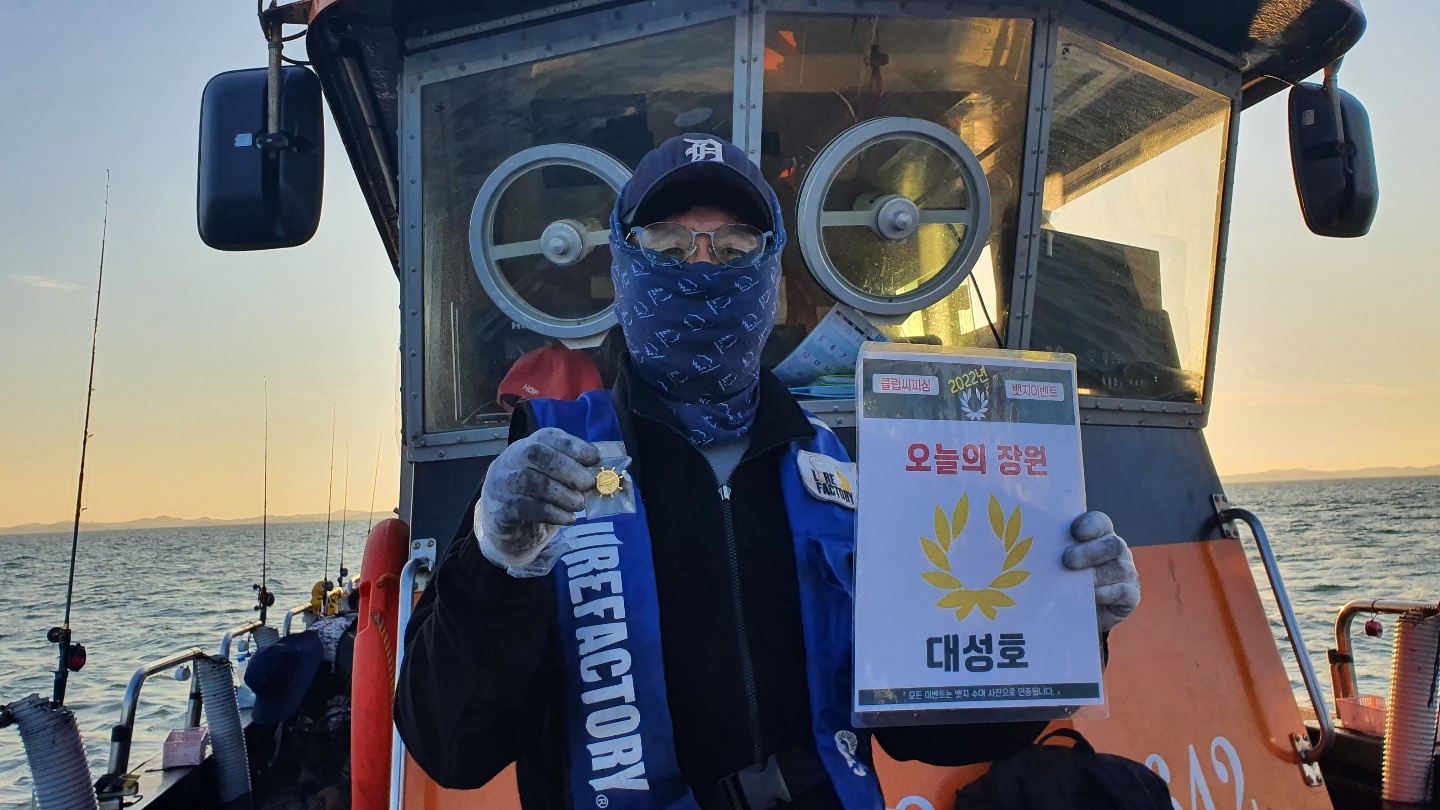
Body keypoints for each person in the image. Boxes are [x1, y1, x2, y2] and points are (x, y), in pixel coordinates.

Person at [395, 133, 1142, 810]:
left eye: (733, 247)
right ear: (622, 263)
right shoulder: (546, 467)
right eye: (669, 244)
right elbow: (452, 748)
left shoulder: (839, 470)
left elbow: (928, 729)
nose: (701, 265)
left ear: (770, 271)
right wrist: (493, 564)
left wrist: (1067, 622)